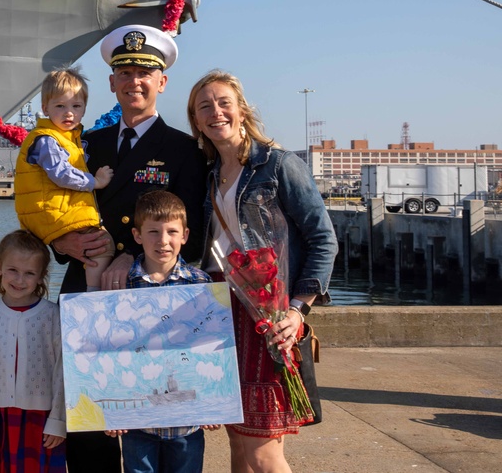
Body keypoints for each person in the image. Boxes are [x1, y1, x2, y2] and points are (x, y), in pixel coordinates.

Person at [51, 24, 208, 473]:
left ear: (162, 82)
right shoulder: (84, 145)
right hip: (87, 285)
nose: (134, 81)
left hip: (152, 298)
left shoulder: (183, 150)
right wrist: (63, 241)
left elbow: (192, 233)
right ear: (111, 82)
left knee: (154, 421)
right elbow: (53, 205)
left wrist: (131, 255)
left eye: (145, 73)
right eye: (125, 73)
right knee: (90, 417)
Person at [187, 70, 337, 473]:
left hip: (267, 316)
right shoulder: (209, 175)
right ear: (197, 121)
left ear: (241, 110)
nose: (216, 112)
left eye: (223, 103)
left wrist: (297, 310)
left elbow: (324, 239)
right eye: (205, 107)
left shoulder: (278, 165)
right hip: (222, 314)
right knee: (239, 444)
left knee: (263, 452)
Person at [104, 190, 220, 473]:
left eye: (171, 231)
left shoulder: (200, 283)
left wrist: (215, 401)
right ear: (137, 235)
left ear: (185, 235)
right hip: (137, 422)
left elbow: (213, 346)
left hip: (187, 423)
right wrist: (109, 411)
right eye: (153, 232)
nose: (163, 240)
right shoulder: (123, 284)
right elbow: (109, 347)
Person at [0, 230, 66, 473]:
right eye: (13, 270)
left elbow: (63, 371)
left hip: (42, 420)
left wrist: (58, 420)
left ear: (41, 277)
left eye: (29, 273)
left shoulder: (52, 316)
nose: (20, 280)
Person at [15, 67, 114, 291]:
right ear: (45, 108)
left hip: (52, 211)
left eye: (76, 106)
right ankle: (93, 294)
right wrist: (95, 182)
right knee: (103, 245)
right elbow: (61, 174)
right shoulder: (48, 140)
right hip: (52, 213)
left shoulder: (68, 138)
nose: (69, 113)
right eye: (60, 106)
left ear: (84, 109)